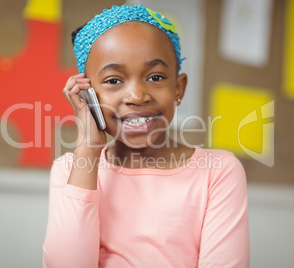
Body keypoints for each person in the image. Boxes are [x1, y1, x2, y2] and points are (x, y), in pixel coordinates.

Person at [42, 4, 249, 268]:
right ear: (88, 95)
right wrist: (88, 150)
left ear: (179, 88)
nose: (137, 96)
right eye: (114, 81)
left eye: (155, 77)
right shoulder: (71, 170)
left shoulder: (218, 172)